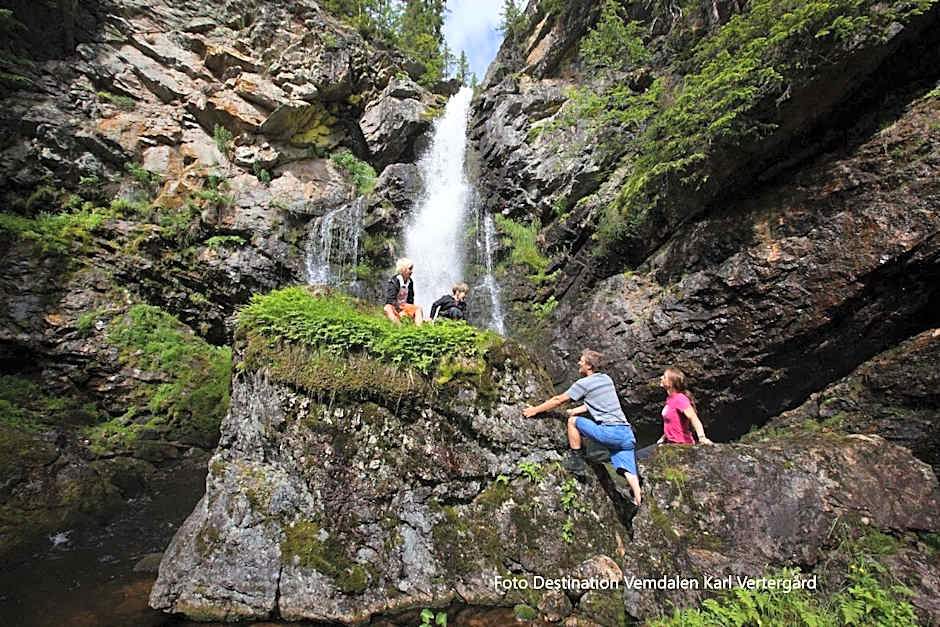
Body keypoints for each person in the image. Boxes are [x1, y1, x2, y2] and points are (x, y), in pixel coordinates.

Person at [523, 349, 642, 506]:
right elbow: (595, 403)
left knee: (573, 421)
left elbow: (559, 399)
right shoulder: (606, 379)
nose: (579, 362)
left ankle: (577, 462)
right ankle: (639, 500)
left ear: (589, 366)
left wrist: (534, 410)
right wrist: (576, 409)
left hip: (609, 433)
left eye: (582, 360)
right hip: (626, 435)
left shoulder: (583, 384)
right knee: (629, 472)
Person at [637, 367, 713, 460]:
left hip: (681, 445)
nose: (661, 378)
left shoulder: (680, 399)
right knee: (637, 457)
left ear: (670, 383)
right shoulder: (670, 399)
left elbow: (694, 418)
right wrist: (663, 437)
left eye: (664, 377)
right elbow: (671, 422)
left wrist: (702, 437)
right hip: (669, 443)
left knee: (638, 458)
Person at [383, 258, 424, 326]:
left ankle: (419, 330)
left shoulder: (410, 282)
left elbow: (411, 299)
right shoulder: (394, 281)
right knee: (387, 308)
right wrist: (400, 310)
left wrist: (409, 311)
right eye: (410, 269)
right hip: (395, 306)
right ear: (403, 269)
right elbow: (390, 300)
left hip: (405, 306)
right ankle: (400, 328)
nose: (412, 271)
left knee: (418, 309)